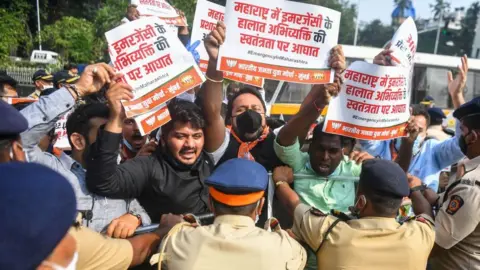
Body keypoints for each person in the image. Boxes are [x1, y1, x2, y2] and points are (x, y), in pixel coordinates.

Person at [20, 64, 151, 235]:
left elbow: (143, 214)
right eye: (105, 132)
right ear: (78, 141)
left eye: (115, 130)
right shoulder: (49, 171)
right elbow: (15, 138)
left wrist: (135, 217)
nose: (113, 138)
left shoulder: (121, 176)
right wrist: (77, 90)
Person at [201, 21, 345, 171]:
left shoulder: (277, 139)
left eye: (256, 108)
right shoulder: (222, 143)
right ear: (230, 119)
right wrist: (214, 62)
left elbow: (302, 118)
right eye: (241, 110)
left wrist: (326, 75)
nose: (250, 113)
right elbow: (212, 114)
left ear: (265, 116)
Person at [0, 162, 179, 270]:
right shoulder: (76, 241)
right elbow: (135, 252)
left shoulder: (122, 177)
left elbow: (134, 250)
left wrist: (136, 216)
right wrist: (167, 229)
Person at [273, 159, 435, 270]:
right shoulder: (420, 235)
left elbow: (292, 204)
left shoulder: (329, 232)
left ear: (361, 201)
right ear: (400, 203)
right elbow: (426, 213)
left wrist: (281, 181)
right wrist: (415, 190)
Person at [86, 84, 212, 221]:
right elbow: (103, 182)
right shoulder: (149, 166)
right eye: (180, 137)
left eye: (197, 136)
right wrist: (115, 119)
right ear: (163, 139)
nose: (190, 145)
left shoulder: (208, 158)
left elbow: (214, 111)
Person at [157, 158, 307, 270]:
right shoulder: (286, 248)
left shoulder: (178, 242)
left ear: (211, 203)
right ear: (260, 206)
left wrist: (178, 227)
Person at [360, 54, 468, 192]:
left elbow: (463, 143)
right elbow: (363, 124)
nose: (412, 132)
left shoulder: (432, 151)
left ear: (426, 132)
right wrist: (377, 74)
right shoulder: (381, 145)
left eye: (418, 130)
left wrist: (457, 96)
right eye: (408, 127)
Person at [428, 96, 480, 269]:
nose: (460, 136)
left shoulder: (471, 186)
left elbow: (433, 244)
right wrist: (433, 198)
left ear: (472, 136)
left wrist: (416, 195)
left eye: (463, 130)